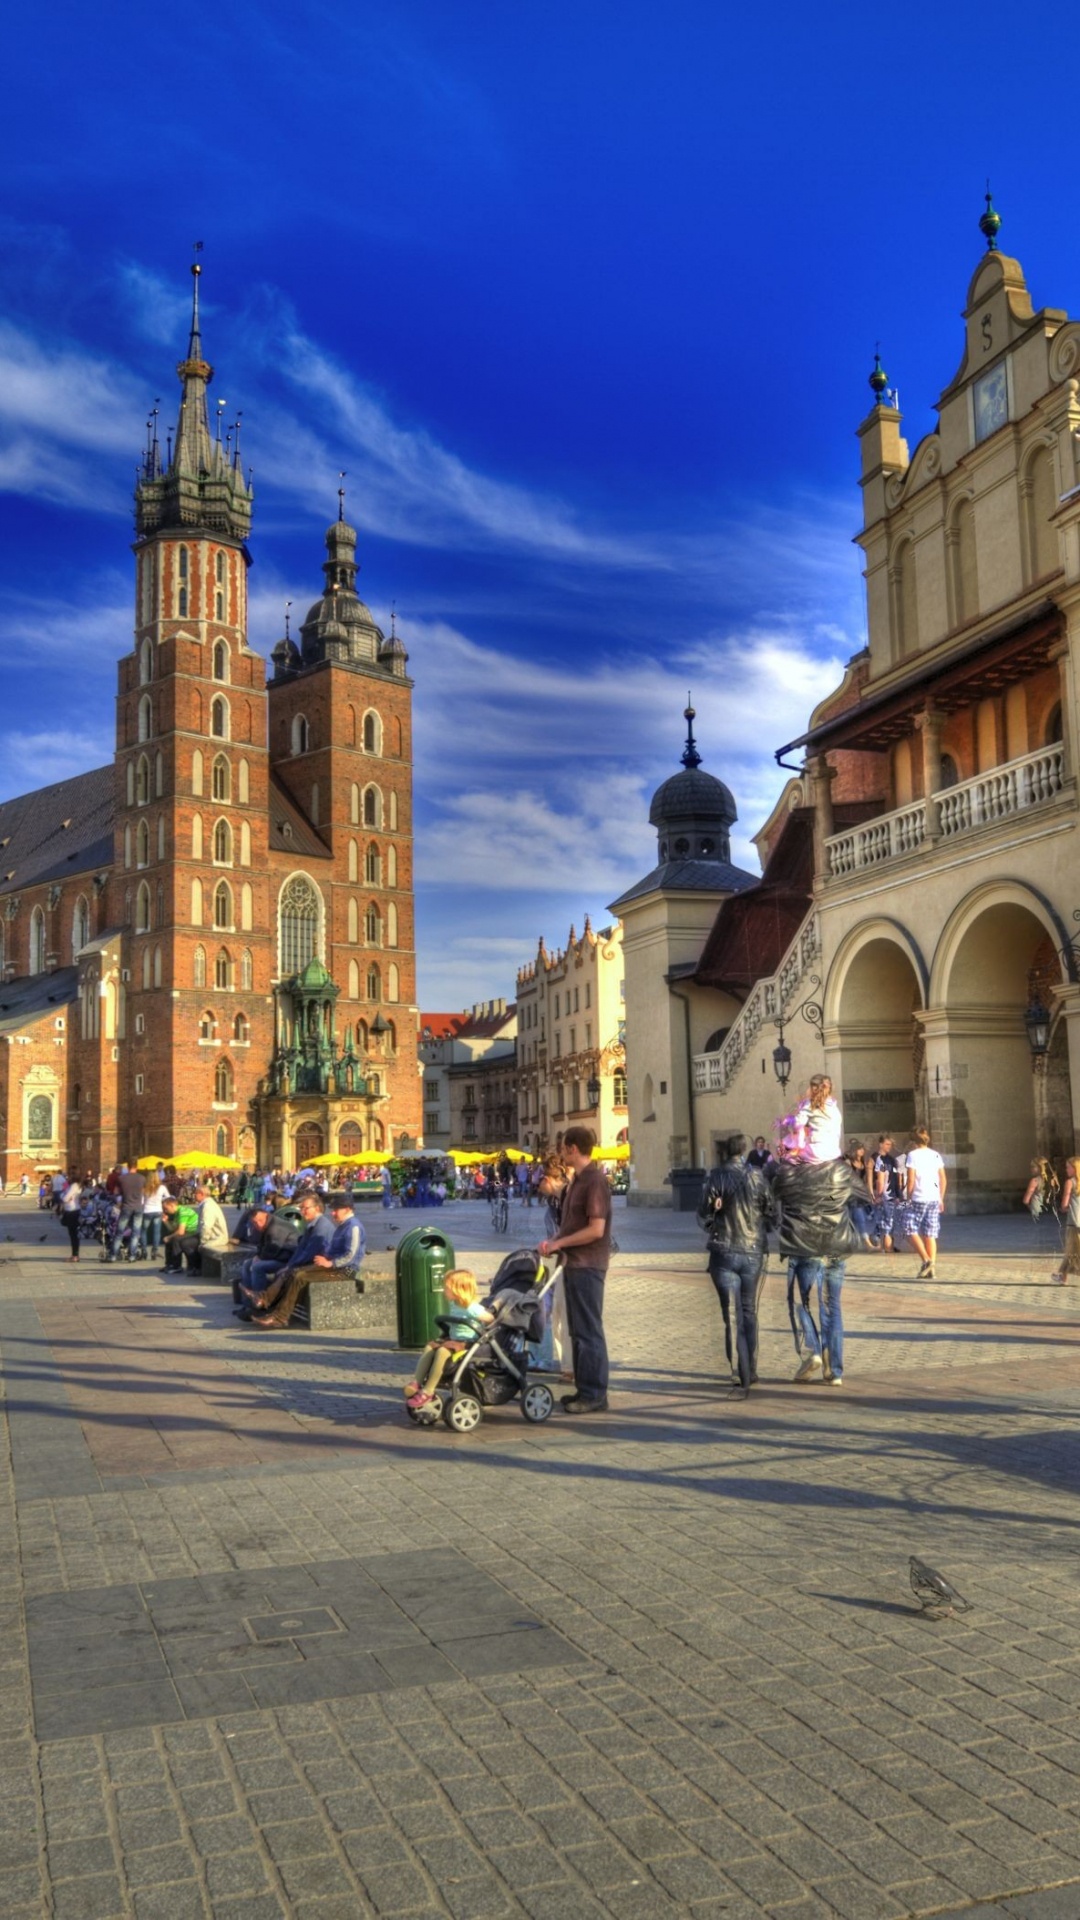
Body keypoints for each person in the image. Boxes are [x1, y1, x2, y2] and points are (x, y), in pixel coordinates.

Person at [772, 1152, 863, 1386]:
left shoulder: (788, 1172)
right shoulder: (840, 1170)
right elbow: (864, 1196)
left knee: (804, 1302)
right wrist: (835, 1199)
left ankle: (813, 1348)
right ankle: (835, 1371)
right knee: (832, 1306)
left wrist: (782, 1159)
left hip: (804, 1244)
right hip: (835, 1243)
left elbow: (770, 1193)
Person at [697, 1133, 778, 1394]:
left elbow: (702, 1213)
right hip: (753, 1251)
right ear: (744, 1151)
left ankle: (736, 1370)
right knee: (748, 1309)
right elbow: (772, 1212)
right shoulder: (757, 1175)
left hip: (723, 1250)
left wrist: (715, 1210)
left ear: (725, 1152)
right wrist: (763, 1222)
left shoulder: (716, 1176)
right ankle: (750, 1367)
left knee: (731, 1313)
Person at [539, 1125, 612, 1414]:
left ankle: (595, 1394)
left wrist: (561, 1243)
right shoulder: (578, 1181)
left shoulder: (594, 1181)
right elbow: (571, 1225)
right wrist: (552, 1242)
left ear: (572, 1148)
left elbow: (596, 1229)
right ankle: (584, 1389)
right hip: (572, 1264)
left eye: (563, 1147)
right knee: (578, 1331)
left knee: (589, 1330)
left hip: (588, 1264)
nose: (560, 1152)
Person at [253, 1193, 365, 1329]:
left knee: (300, 1277)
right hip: (335, 1267)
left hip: (345, 1271)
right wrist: (326, 1258)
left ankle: (280, 1317)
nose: (333, 1213)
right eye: (333, 1210)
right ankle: (266, 1301)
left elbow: (351, 1255)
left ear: (347, 1209)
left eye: (336, 1210)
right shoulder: (343, 1225)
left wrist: (331, 1263)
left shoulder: (353, 1227)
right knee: (295, 1272)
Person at [404, 1269, 493, 1409]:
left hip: (467, 1343)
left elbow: (490, 1319)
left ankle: (428, 1391)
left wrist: (489, 1319)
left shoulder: (472, 1308)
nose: (444, 1290)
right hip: (453, 1339)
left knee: (442, 1352)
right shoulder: (454, 1304)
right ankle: (416, 1383)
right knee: (430, 1347)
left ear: (459, 1290)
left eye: (447, 1288)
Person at [250, 1192, 335, 1325]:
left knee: (291, 1274)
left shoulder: (322, 1227)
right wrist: (290, 1265)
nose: (302, 1211)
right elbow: (301, 1249)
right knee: (286, 1272)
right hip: (314, 1262)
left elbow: (310, 1253)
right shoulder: (312, 1224)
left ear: (317, 1209)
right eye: (301, 1208)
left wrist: (291, 1267)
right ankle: (263, 1303)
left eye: (306, 1208)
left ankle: (273, 1311)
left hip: (325, 1265)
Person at [904, 1125, 947, 1279]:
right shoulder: (935, 1155)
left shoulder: (912, 1155)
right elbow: (942, 1178)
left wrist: (908, 1197)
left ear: (913, 1141)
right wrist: (941, 1197)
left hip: (918, 1197)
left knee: (909, 1229)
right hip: (934, 1198)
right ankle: (931, 1267)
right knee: (930, 1233)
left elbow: (911, 1179)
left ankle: (927, 1260)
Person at [790, 1075, 844, 1164]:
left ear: (813, 1088)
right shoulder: (834, 1106)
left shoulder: (811, 1104)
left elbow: (797, 1124)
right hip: (834, 1151)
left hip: (817, 1152)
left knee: (789, 1159)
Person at [106, 1163, 145, 1262]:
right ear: (137, 1167)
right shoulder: (142, 1178)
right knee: (135, 1233)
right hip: (138, 1207)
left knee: (119, 1232)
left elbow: (115, 1192)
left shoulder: (122, 1178)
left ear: (128, 1167)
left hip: (126, 1207)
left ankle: (113, 1255)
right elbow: (144, 1192)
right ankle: (132, 1256)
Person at [871, 1134, 902, 1254]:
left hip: (892, 1195)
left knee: (890, 1221)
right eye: (887, 1144)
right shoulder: (880, 1159)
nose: (889, 1147)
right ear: (881, 1144)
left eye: (890, 1144)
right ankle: (886, 1246)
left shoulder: (892, 1160)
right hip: (885, 1195)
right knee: (887, 1221)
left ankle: (882, 1241)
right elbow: (880, 1178)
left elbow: (896, 1178)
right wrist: (878, 1195)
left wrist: (898, 1195)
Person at [1053, 1158, 1080, 1285]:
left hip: (1074, 1223)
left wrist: (1063, 1208)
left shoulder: (1070, 1182)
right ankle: (1063, 1277)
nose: (1066, 1169)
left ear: (1075, 1168)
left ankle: (1063, 1278)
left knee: (1071, 1251)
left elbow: (1064, 1204)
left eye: (1068, 1167)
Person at [140, 1173, 166, 1260]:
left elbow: (142, 1201)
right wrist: (161, 1200)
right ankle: (154, 1250)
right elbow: (168, 1197)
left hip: (147, 1211)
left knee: (143, 1230)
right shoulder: (162, 1188)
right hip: (158, 1211)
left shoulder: (144, 1188)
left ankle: (144, 1250)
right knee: (157, 1232)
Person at [59, 1172, 83, 1262]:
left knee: (73, 1235)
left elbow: (65, 1198)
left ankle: (75, 1255)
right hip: (71, 1210)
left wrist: (64, 1196)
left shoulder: (74, 1186)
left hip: (72, 1211)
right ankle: (75, 1255)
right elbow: (65, 1196)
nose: (67, 1177)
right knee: (72, 1234)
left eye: (69, 1174)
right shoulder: (73, 1185)